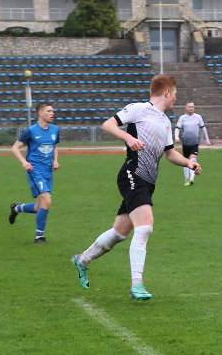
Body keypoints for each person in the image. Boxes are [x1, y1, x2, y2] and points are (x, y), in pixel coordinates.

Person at [70, 74, 200, 300]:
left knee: (120, 233)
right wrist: (127, 139)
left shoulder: (165, 122)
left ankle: (82, 260)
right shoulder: (139, 108)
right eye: (175, 94)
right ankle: (137, 284)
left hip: (148, 182)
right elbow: (108, 124)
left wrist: (189, 162)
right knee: (146, 226)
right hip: (133, 173)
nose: (176, 98)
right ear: (167, 92)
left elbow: (169, 154)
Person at [8, 101, 60, 244]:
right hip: (34, 170)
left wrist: (55, 160)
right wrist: (24, 162)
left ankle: (16, 208)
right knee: (47, 201)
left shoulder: (55, 129)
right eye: (49, 111)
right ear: (40, 113)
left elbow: (54, 146)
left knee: (39, 207)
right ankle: (39, 237)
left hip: (48, 171)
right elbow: (15, 147)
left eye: (52, 111)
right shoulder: (30, 131)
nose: (52, 113)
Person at [173, 101, 211, 186]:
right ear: (186, 108)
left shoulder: (198, 117)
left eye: (192, 107)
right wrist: (176, 137)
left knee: (193, 160)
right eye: (189, 106)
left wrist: (207, 139)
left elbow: (203, 128)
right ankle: (186, 179)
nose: (191, 108)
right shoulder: (183, 118)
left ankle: (191, 180)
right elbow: (177, 128)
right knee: (186, 162)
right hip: (186, 144)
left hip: (195, 143)